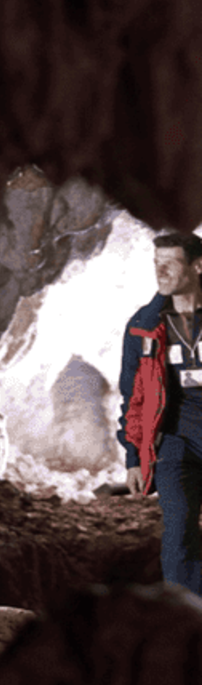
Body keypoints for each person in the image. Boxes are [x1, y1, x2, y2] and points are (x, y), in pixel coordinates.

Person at [120, 230, 202, 595]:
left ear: (198, 266)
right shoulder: (145, 326)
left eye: (170, 263)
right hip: (174, 442)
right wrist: (134, 455)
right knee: (179, 532)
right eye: (156, 264)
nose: (161, 272)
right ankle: (189, 621)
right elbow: (132, 396)